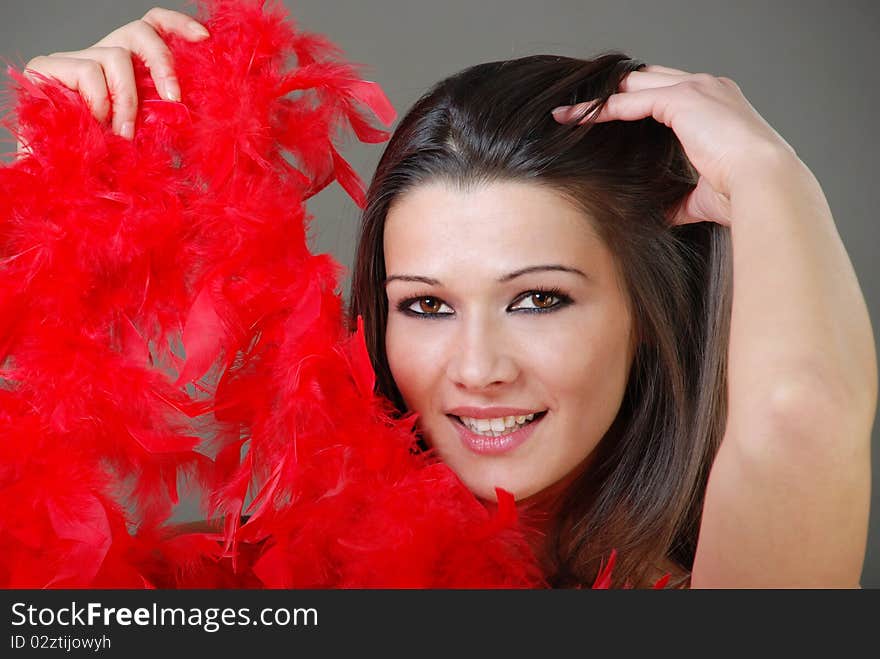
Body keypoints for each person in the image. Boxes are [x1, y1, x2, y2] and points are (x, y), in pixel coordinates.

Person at [21, 7, 876, 588]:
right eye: (426, 306)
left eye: (539, 299)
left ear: (649, 314)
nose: (477, 369)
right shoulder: (273, 576)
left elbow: (799, 415)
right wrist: (50, 185)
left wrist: (768, 175)